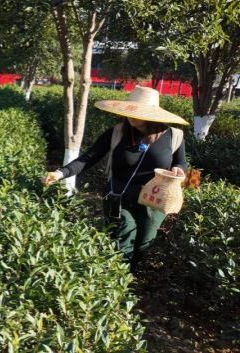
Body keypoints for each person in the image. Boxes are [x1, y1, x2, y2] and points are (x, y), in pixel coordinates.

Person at [43, 86, 188, 272]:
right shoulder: (118, 132)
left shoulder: (174, 136)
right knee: (123, 242)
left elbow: (181, 162)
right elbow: (89, 157)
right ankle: (117, 280)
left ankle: (128, 277)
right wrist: (61, 173)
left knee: (143, 245)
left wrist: (179, 169)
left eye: (138, 112)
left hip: (154, 201)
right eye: (130, 110)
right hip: (120, 196)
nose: (131, 116)